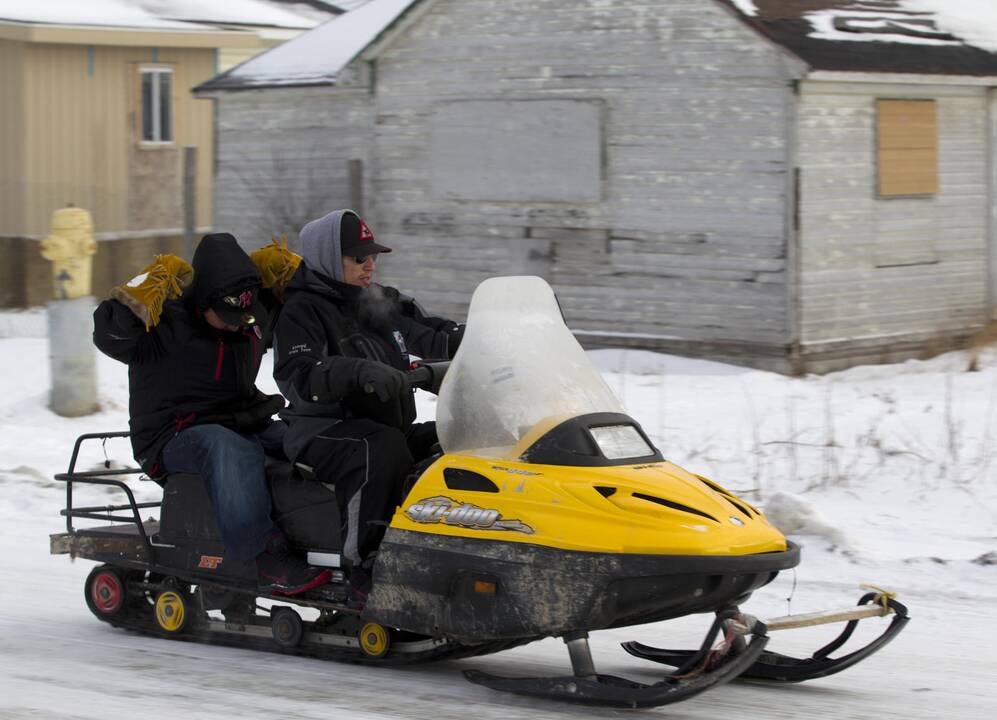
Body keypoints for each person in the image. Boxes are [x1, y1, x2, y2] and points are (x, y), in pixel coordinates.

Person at [93, 232, 331, 596]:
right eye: (227, 316)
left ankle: (338, 537)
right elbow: (109, 333)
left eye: (243, 317)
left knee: (305, 437)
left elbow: (311, 298)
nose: (237, 324)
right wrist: (139, 293)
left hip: (242, 420)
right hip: (170, 436)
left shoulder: (251, 317)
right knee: (228, 447)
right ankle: (263, 554)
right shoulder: (163, 324)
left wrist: (292, 274)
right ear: (202, 301)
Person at [273, 210, 462, 599]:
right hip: (321, 430)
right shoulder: (301, 310)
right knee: (380, 449)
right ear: (328, 258)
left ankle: (451, 550)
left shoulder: (377, 303)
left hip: (385, 424)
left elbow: (427, 332)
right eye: (359, 258)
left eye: (372, 257)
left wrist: (472, 339)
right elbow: (298, 375)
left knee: (452, 441)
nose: (370, 266)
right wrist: (355, 371)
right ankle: (364, 568)